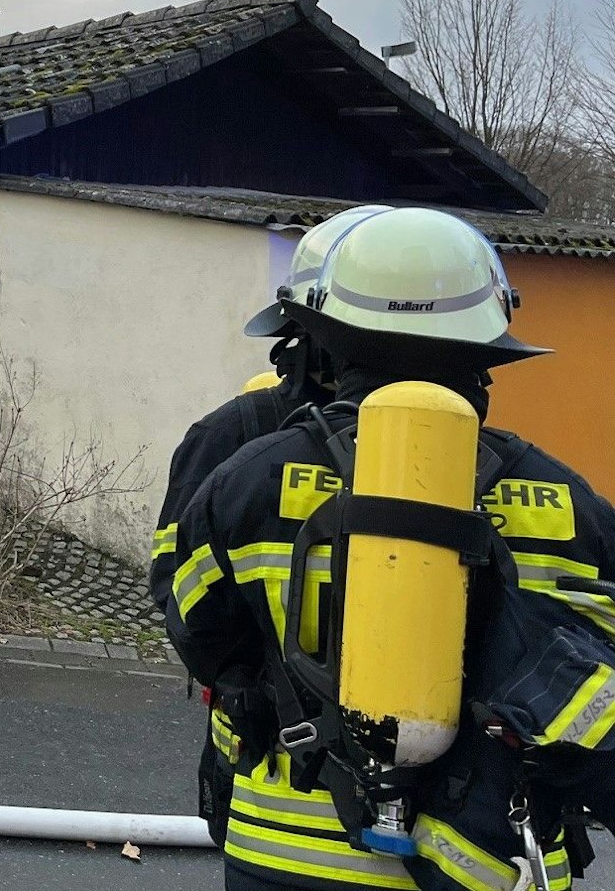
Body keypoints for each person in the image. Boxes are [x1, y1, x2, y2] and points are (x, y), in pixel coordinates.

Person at [164, 207, 615, 891]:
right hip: (496, 865)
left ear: (330, 342)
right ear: (484, 348)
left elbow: (192, 618)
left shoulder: (251, 480)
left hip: (291, 854)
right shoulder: (568, 503)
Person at [149, 204, 388, 846]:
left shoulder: (451, 452)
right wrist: (251, 687)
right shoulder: (234, 436)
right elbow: (176, 582)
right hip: (266, 753)